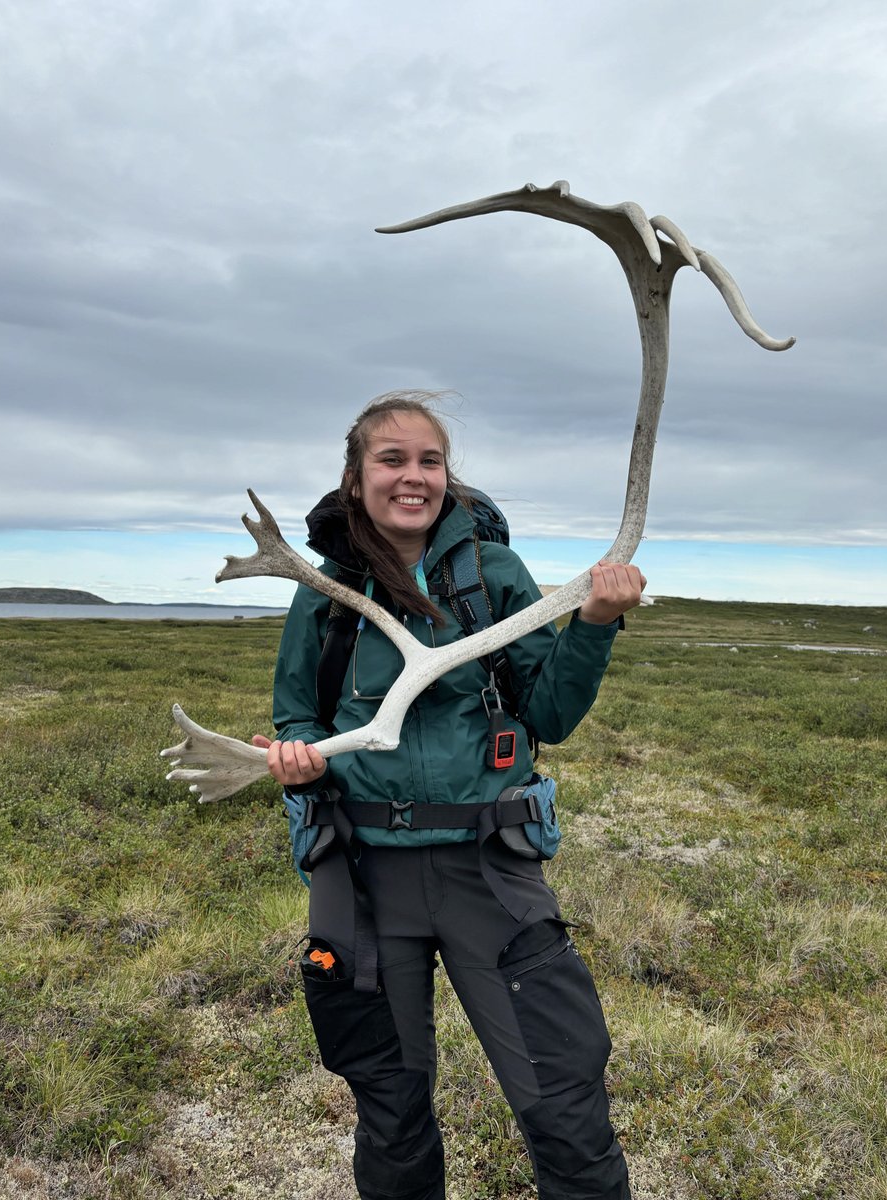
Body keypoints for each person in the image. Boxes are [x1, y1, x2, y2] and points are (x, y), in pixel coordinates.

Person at [252, 392, 644, 1200]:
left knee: (564, 1097)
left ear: (447, 475)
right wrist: (299, 760)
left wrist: (595, 624)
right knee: (390, 1111)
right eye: (391, 460)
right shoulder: (322, 591)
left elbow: (550, 713)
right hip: (363, 880)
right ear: (357, 478)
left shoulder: (494, 576)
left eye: (429, 461)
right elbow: (299, 712)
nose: (413, 476)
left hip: (489, 873)